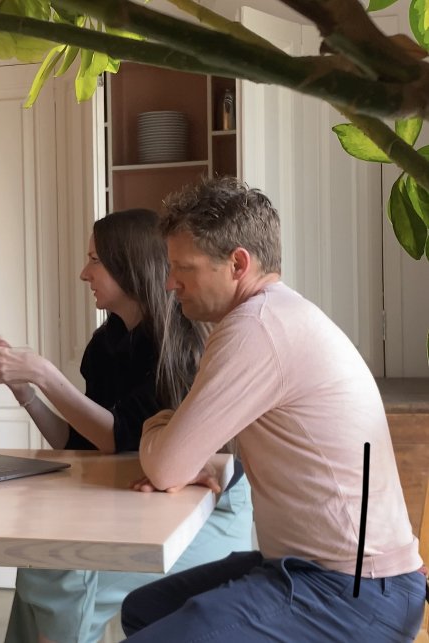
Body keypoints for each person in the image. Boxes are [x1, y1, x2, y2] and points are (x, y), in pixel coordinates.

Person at [121, 176, 424, 642]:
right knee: (146, 611)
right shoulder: (277, 316)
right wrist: (182, 445)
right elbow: (201, 450)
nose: (169, 283)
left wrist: (156, 425)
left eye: (184, 267)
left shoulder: (256, 327)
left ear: (238, 263)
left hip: (351, 590)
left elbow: (164, 466)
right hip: (330, 574)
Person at [0, 209, 253, 643]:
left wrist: (45, 374)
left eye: (95, 260)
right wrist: (27, 394)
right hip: (135, 497)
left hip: (203, 513)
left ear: (128, 265)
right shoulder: (106, 343)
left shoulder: (181, 345)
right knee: (38, 564)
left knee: (59, 578)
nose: (84, 273)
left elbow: (119, 436)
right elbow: (81, 442)